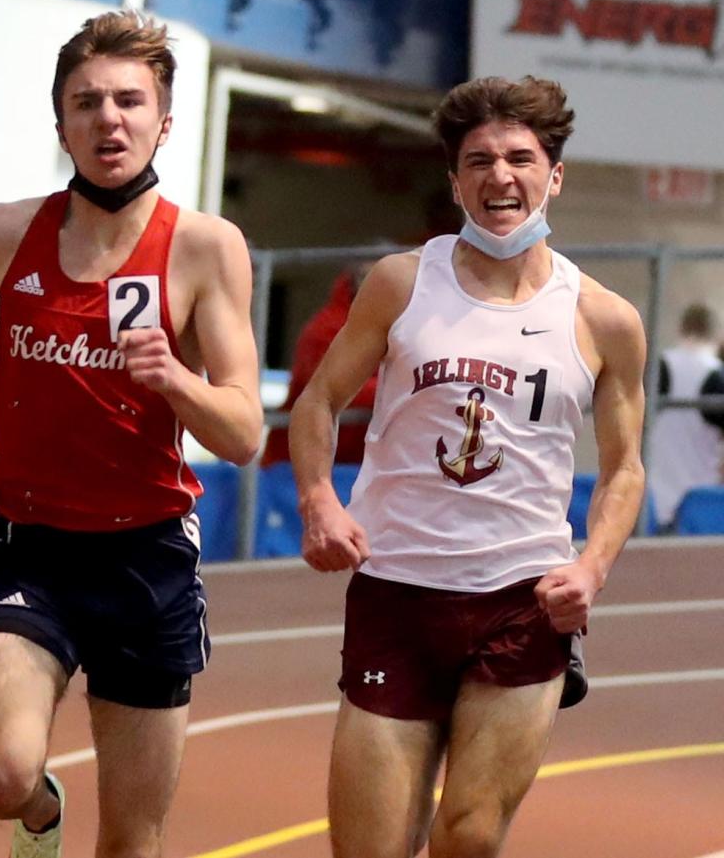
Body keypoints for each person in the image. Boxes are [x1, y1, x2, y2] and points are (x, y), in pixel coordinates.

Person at [0, 10, 261, 858]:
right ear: (61, 123)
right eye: (87, 102)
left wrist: (176, 379)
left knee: (132, 840)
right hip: (32, 545)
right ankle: (39, 815)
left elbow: (247, 432)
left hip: (149, 559)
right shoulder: (1, 233)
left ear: (163, 121)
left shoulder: (205, 248)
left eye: (128, 101)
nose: (109, 119)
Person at [289, 75, 646, 858]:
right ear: (455, 182)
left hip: (521, 600)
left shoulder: (604, 319)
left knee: (471, 836)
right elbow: (316, 404)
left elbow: (624, 470)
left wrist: (591, 568)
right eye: (478, 160)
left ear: (555, 176)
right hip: (398, 591)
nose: (500, 176)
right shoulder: (402, 283)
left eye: (520, 157)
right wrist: (320, 498)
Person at [262, 259, 377, 467]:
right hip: (297, 466)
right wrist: (403, 386)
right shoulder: (326, 328)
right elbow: (333, 386)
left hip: (358, 462)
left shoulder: (397, 328)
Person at [649, 303, 724, 528]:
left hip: (652, 499)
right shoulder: (717, 375)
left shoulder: (656, 368)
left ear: (681, 329)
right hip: (699, 506)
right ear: (717, 334)